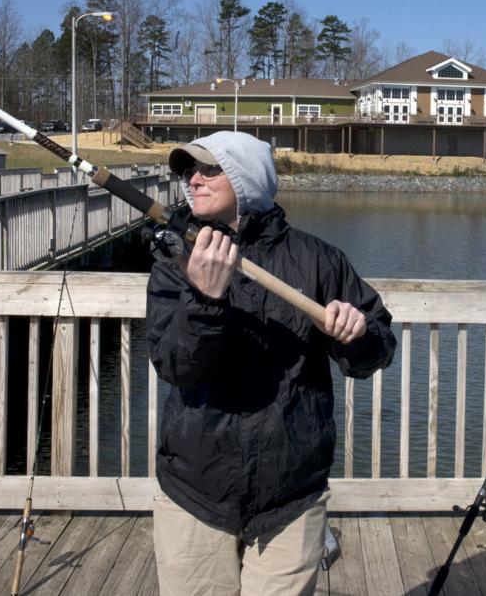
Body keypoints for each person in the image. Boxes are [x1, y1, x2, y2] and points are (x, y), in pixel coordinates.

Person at [147, 131, 396, 595]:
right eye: (189, 171)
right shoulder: (176, 263)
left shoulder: (320, 261)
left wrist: (356, 335)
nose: (193, 180)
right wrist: (206, 299)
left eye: (209, 170)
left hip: (291, 498)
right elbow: (175, 367)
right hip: (194, 492)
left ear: (246, 179)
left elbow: (377, 352)